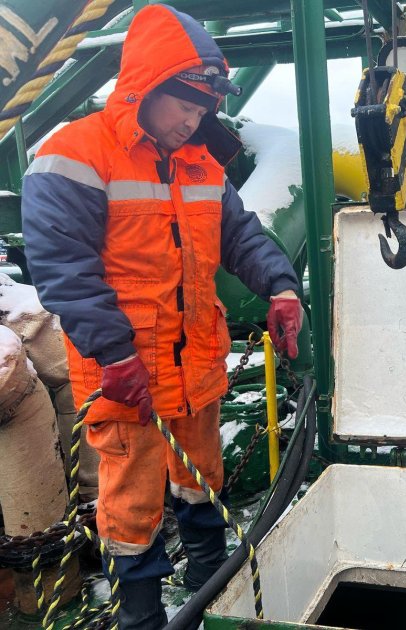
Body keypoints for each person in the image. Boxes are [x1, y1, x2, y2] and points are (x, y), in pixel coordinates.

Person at [21, 5, 302, 628]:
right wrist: (114, 354)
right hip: (126, 375)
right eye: (184, 107)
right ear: (145, 88)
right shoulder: (74, 155)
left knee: (202, 477)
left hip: (196, 362)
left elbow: (242, 237)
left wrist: (282, 287)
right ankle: (143, 616)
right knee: (131, 503)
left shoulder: (203, 163)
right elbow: (64, 269)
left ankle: (208, 584)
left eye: (202, 112)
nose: (192, 122)